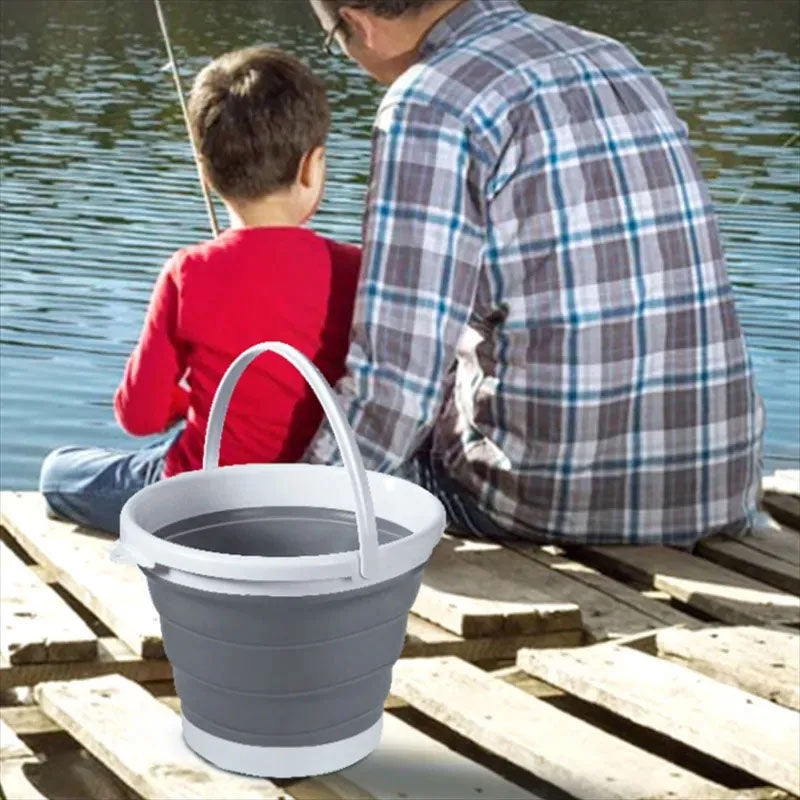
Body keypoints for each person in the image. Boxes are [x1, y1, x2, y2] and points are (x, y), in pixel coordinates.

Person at [306, 0, 764, 546]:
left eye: (336, 39)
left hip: (547, 508)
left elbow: (394, 387)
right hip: (718, 489)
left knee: (327, 458)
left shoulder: (429, 102)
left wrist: (296, 519)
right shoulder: (613, 59)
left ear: (359, 23)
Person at [39, 46, 361, 534]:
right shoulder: (357, 270)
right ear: (312, 167)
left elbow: (139, 415)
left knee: (58, 472)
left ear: (206, 173)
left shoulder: (189, 271)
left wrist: (183, 402)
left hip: (198, 499)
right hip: (313, 497)